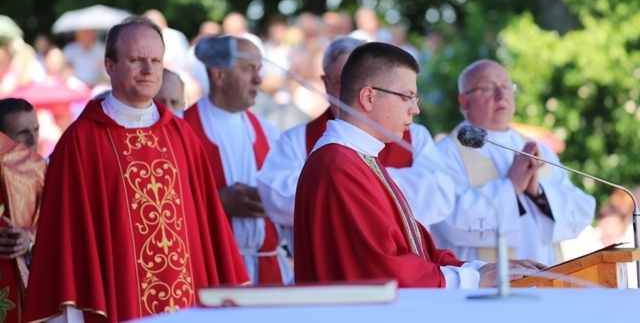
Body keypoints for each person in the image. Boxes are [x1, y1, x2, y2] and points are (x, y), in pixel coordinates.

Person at [24, 17, 249, 323]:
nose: (148, 70)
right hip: (119, 299)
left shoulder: (182, 136)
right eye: (136, 60)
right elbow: (67, 240)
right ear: (110, 66)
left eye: (156, 60)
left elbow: (208, 230)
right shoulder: (81, 141)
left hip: (185, 299)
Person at [293, 42, 543, 287]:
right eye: (407, 97)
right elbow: (382, 267)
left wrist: (480, 269)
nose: (415, 109)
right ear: (368, 97)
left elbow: (416, 249)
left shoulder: (360, 158)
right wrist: (473, 279)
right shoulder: (338, 165)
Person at [258, 38, 456, 255]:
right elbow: (275, 199)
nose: (351, 90)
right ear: (326, 83)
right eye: (342, 80)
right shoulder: (307, 145)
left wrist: (364, 184)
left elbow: (439, 196)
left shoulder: (414, 135)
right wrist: (366, 182)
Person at [432, 59, 596, 266]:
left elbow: (582, 210)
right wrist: (511, 187)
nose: (501, 95)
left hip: (544, 276)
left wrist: (538, 193)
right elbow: (448, 219)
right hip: (485, 286)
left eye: (506, 87)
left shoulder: (539, 150)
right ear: (465, 101)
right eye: (488, 87)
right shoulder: (446, 153)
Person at [184, 36, 293, 285]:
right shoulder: (181, 130)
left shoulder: (270, 133)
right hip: (209, 272)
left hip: (269, 270)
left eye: (259, 70)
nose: (258, 79)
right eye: (248, 69)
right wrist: (218, 202)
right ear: (219, 75)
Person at [0, 131, 45, 323]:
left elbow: (59, 231)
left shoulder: (33, 166)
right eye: (24, 132)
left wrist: (28, 241)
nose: (33, 139)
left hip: (26, 294)